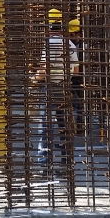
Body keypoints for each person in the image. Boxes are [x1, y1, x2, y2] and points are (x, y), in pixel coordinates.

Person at [34, 9, 78, 166]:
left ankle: (44, 162)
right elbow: (76, 70)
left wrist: (34, 79)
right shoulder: (69, 44)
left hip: (50, 89)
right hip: (64, 89)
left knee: (45, 126)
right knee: (64, 126)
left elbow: (43, 71)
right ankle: (66, 160)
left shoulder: (50, 44)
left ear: (48, 27)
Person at [68, 19, 85, 134]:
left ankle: (78, 125)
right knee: (73, 103)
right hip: (72, 78)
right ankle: (74, 127)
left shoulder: (81, 46)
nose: (78, 37)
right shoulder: (69, 45)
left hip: (79, 78)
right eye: (76, 34)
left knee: (78, 103)